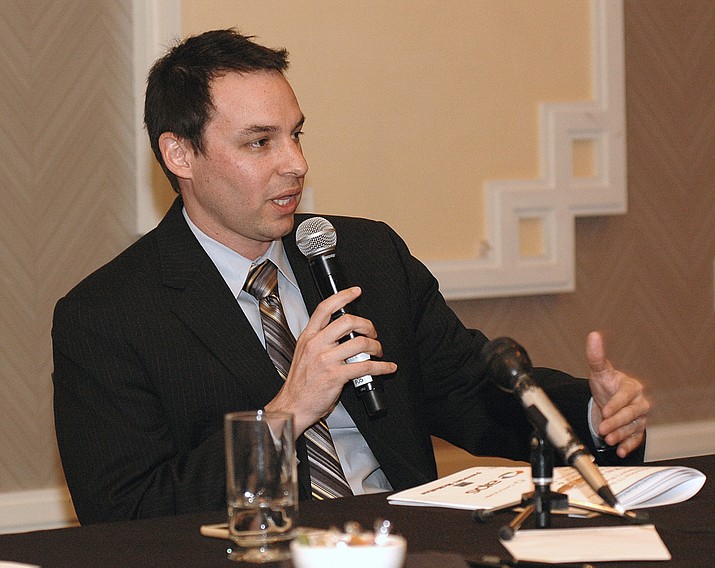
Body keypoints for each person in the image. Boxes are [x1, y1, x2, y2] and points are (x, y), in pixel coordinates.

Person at [52, 29, 650, 525]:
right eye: (260, 142)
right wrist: (286, 413)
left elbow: (470, 393)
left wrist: (594, 416)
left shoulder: (364, 253)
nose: (297, 164)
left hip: (409, 549)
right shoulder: (107, 316)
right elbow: (125, 517)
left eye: (296, 134)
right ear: (180, 155)